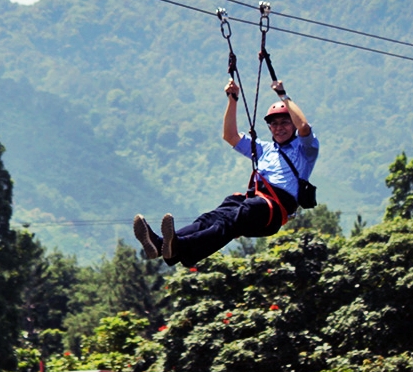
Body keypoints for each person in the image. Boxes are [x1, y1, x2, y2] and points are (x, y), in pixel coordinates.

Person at [133, 78, 319, 268]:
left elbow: (304, 127)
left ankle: (180, 246)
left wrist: (283, 95)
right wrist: (232, 100)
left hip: (274, 209)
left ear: (293, 124)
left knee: (233, 218)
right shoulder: (265, 149)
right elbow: (230, 136)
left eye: (285, 122)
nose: (279, 127)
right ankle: (164, 246)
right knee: (214, 216)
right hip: (255, 201)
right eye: (274, 124)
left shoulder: (305, 150)